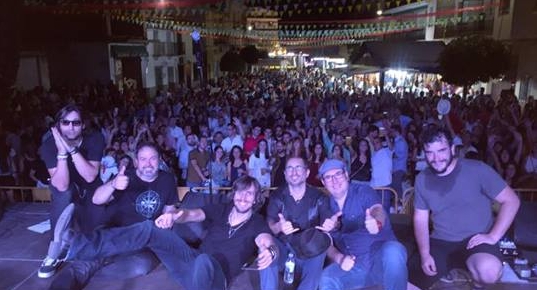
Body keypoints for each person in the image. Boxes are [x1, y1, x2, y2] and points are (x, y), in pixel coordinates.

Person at [53, 176, 278, 290]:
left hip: (216, 278)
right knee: (150, 228)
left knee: (205, 261)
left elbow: (266, 240)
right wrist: (175, 216)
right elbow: (191, 215)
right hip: (190, 264)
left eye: (250, 195)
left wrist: (270, 251)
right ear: (234, 194)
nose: (243, 198)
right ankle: (75, 243)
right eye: (240, 193)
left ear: (256, 199)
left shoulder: (257, 223)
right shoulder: (222, 209)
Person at [49, 142, 179, 289]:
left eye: (153, 158)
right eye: (143, 159)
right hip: (114, 232)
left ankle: (86, 252)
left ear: (159, 160)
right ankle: (80, 250)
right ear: (136, 162)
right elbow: (96, 199)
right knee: (85, 265)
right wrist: (113, 185)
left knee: (142, 265)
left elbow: (170, 210)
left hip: (144, 240)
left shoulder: (167, 179)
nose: (148, 164)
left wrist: (169, 218)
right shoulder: (124, 178)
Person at [411, 126, 520, 289]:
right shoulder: (422, 179)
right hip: (441, 241)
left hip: (476, 240)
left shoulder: (477, 169)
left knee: (488, 271)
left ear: (452, 148)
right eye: (429, 152)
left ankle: (476, 283)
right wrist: (425, 254)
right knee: (407, 282)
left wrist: (493, 236)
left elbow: (512, 201)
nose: (436, 158)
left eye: (441, 150)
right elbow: (420, 219)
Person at [317, 159, 408, 290]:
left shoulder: (363, 191)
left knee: (394, 250)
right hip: (355, 267)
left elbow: (377, 209)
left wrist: (376, 222)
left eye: (338, 174)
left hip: (381, 262)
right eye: (328, 177)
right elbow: (326, 244)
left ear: (347, 175)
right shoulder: (324, 205)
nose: (334, 180)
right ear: (323, 182)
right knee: (327, 278)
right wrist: (340, 259)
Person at [38, 104, 105, 278]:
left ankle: (72, 237)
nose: (71, 127)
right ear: (58, 125)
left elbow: (90, 176)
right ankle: (54, 250)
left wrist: (72, 150)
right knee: (63, 193)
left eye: (76, 123)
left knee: (93, 238)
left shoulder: (95, 139)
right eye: (65, 122)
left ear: (83, 125)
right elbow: (60, 185)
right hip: (67, 190)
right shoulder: (49, 145)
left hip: (91, 191)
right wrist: (61, 153)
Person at [264, 157, 333, 290]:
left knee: (320, 245)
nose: (293, 172)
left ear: (307, 173)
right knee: (266, 247)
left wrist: (332, 225)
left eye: (298, 168)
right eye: (289, 168)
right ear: (285, 174)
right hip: (284, 251)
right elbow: (270, 224)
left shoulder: (319, 197)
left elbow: (328, 222)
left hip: (309, 252)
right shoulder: (277, 196)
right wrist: (279, 226)